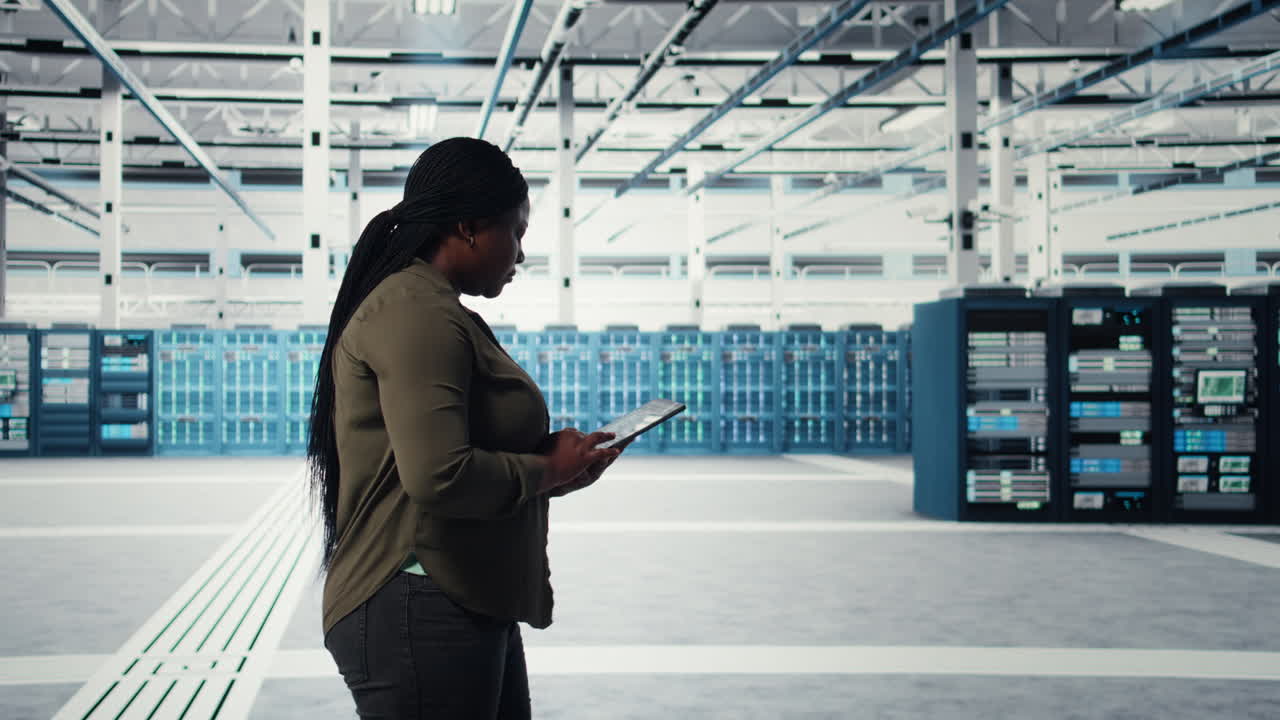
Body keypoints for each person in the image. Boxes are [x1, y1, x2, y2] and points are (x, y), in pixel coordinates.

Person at [307, 137, 627, 718]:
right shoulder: (415, 312)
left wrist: (557, 469)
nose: (522, 254)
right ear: (470, 227)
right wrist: (543, 468)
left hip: (452, 594)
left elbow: (455, 454)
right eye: (518, 231)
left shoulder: (436, 310)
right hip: (417, 600)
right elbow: (438, 475)